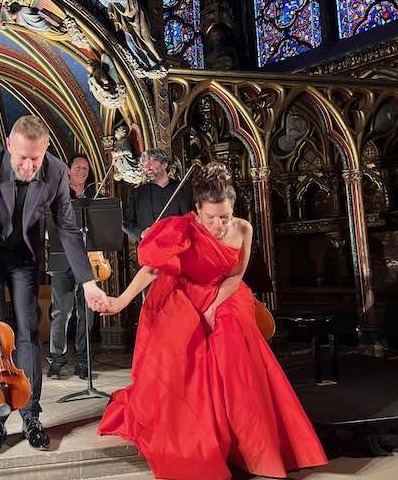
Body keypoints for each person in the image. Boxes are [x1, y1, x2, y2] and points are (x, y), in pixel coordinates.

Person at [90, 162, 327, 480]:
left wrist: (214, 307)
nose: (218, 224)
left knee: (234, 356)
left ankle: (254, 449)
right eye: (211, 217)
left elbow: (235, 277)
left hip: (225, 296)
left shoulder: (243, 228)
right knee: (186, 366)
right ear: (197, 210)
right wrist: (120, 301)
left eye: (224, 217)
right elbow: (152, 269)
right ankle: (205, 440)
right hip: (185, 295)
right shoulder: (182, 228)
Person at [0, 116, 109, 454]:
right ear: (9, 146)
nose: (28, 165)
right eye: (22, 157)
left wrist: (87, 281)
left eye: (35, 159)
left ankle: (31, 414)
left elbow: (67, 229)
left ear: (46, 150)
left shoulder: (55, 172)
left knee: (27, 334)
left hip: (24, 256)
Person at [46, 154, 95, 380]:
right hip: (61, 259)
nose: (82, 171)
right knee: (61, 312)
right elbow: (45, 227)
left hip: (89, 261)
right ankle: (57, 359)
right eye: (78, 167)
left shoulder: (95, 198)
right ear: (68, 170)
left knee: (86, 312)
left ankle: (83, 362)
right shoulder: (56, 196)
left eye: (85, 168)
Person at [123, 148, 193, 243]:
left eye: (151, 161)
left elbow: (193, 217)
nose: (147, 167)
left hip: (180, 245)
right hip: (151, 248)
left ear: (164, 164)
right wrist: (141, 233)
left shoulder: (184, 189)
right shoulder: (137, 193)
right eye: (144, 164)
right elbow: (126, 222)